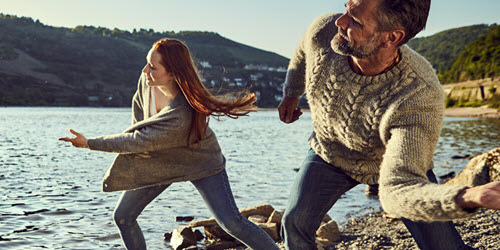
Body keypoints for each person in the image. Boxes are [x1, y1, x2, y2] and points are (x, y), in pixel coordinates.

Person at [278, 0, 500, 249]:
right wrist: (291, 93)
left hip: (390, 166)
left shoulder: (418, 94)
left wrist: (466, 196)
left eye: (356, 20)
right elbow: (303, 51)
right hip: (330, 152)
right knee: (294, 224)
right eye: (346, 8)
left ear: (391, 37)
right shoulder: (325, 29)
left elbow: (398, 189)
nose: (340, 22)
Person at [59, 38, 279, 250]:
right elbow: (139, 117)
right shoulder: (147, 81)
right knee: (123, 217)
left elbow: (138, 141)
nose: (146, 70)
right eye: (147, 63)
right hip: (161, 160)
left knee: (231, 223)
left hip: (201, 163)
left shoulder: (181, 115)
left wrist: (89, 143)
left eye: (153, 67)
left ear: (173, 74)